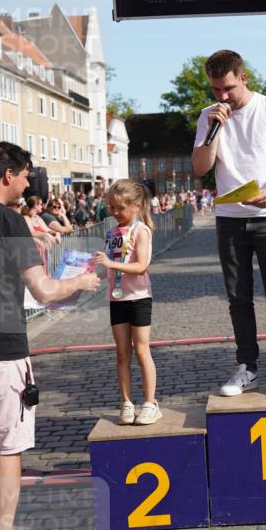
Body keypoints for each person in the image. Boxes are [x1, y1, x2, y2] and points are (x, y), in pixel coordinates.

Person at [0, 139, 99, 530]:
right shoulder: (8, 221)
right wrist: (81, 283)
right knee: (8, 448)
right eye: (24, 177)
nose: (26, 185)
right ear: (7, 175)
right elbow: (44, 289)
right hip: (0, 350)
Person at [192, 49, 266, 398]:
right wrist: (213, 132)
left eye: (228, 88)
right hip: (230, 218)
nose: (222, 96)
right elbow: (201, 167)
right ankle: (247, 367)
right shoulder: (208, 116)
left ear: (243, 78)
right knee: (238, 298)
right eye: (215, 89)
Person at [93, 179, 160, 426]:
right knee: (122, 353)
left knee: (142, 350)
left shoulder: (142, 231)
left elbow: (141, 266)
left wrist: (110, 264)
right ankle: (127, 403)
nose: (115, 212)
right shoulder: (112, 233)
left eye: (120, 208)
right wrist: (88, 276)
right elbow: (107, 268)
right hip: (117, 297)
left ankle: (150, 403)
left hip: (138, 297)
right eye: (111, 207)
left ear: (135, 205)